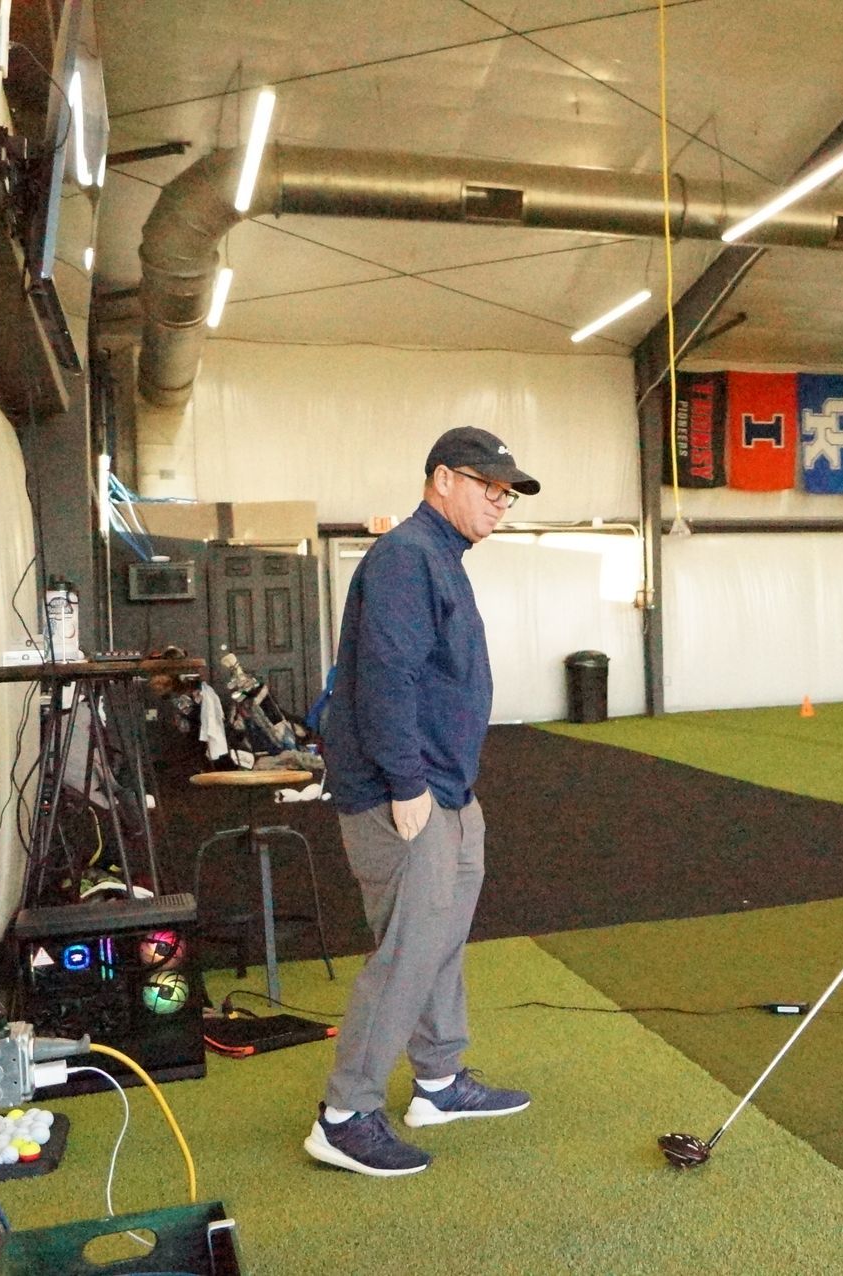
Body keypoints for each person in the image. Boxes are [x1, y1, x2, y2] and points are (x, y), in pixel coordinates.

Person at [303, 427, 541, 1176]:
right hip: (402, 794)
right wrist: (406, 785)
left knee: (440, 939)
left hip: (446, 789)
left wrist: (445, 790)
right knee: (408, 952)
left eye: (507, 492)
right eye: (487, 486)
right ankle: (345, 1115)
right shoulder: (407, 555)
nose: (499, 502)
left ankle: (437, 1081)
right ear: (442, 479)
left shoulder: (442, 555)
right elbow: (382, 678)